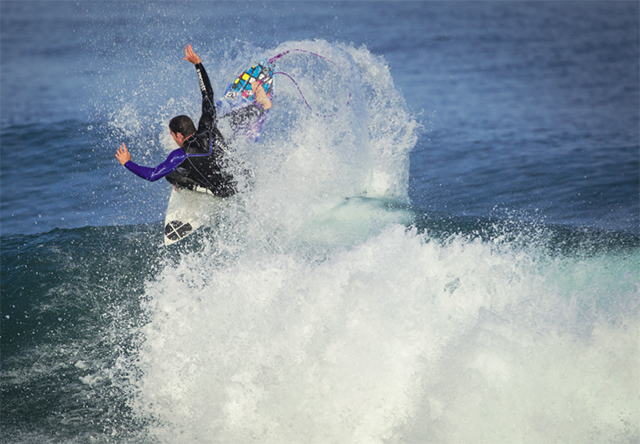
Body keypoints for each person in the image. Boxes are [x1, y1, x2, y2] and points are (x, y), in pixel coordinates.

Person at [115, 44, 272, 197]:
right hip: (244, 175)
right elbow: (207, 94)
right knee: (221, 120)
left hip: (226, 192)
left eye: (172, 135)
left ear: (179, 135)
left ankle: (192, 191)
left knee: (171, 175)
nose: (173, 139)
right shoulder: (207, 125)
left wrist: (128, 163)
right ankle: (261, 106)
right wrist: (198, 64)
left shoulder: (180, 155)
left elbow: (152, 175)